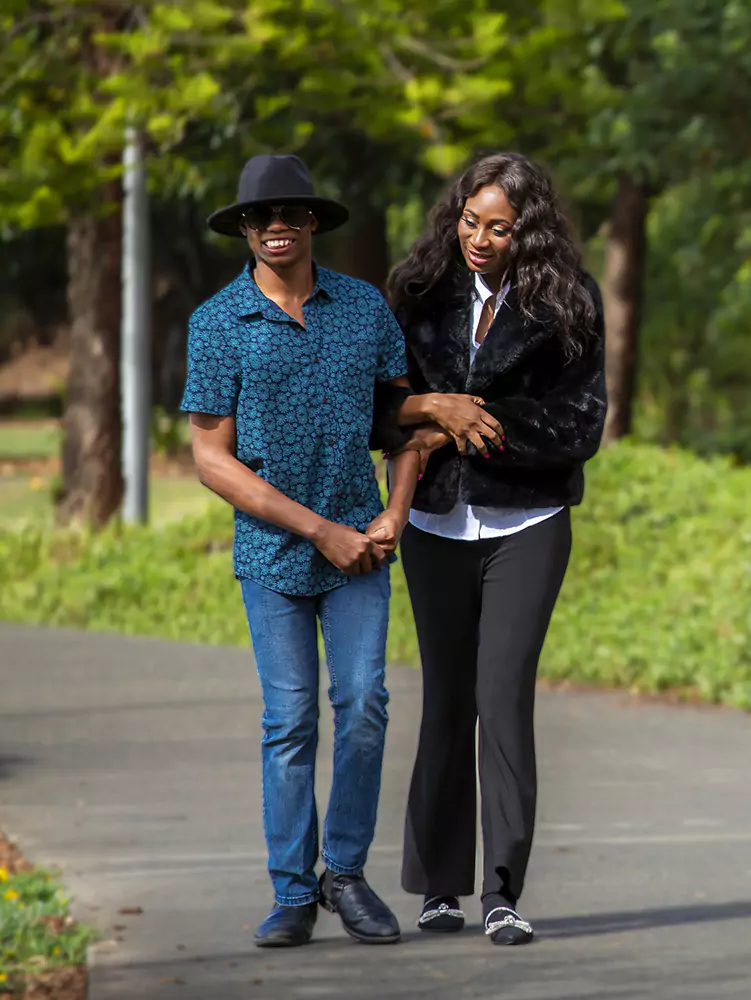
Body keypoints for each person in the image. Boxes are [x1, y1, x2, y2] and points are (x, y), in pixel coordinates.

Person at [181, 154, 420, 948]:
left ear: (313, 220)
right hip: (277, 558)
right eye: (258, 218)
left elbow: (400, 424)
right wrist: (319, 529)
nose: (274, 227)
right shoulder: (218, 323)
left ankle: (344, 876)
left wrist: (394, 513)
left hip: (361, 550)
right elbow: (212, 459)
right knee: (288, 722)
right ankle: (291, 891)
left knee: (363, 708)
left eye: (289, 213)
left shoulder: (363, 309)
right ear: (243, 230)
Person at [384, 152, 607, 945]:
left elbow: (581, 424)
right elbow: (381, 411)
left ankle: (503, 892)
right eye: (470, 222)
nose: (479, 239)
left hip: (528, 524)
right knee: (446, 699)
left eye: (500, 228)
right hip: (434, 524)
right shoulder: (414, 295)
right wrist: (433, 410)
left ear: (528, 231)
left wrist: (481, 426)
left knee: (503, 700)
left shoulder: (569, 303)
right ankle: (439, 887)